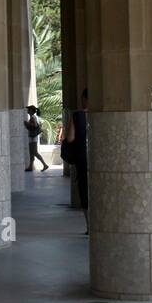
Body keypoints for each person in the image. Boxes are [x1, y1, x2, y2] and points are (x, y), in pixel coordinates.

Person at [66, 87, 89, 232]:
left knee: (85, 193)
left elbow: (70, 138)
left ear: (85, 99)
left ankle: (89, 226)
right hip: (101, 161)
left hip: (83, 160)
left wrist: (71, 121)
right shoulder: (104, 114)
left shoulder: (78, 116)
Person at [24, 105, 49, 171]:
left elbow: (34, 125)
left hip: (33, 137)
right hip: (33, 137)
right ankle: (30, 166)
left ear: (31, 111)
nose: (27, 110)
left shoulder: (33, 117)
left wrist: (27, 124)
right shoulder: (34, 117)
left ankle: (45, 165)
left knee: (34, 152)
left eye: (28, 109)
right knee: (31, 152)